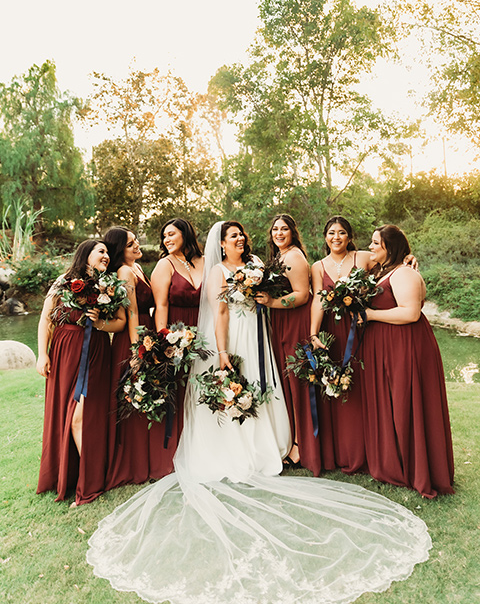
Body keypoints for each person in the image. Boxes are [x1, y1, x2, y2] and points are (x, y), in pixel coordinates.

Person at [87, 221, 432, 604]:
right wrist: (220, 354)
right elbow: (219, 314)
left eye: (240, 235)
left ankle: (270, 444)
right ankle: (233, 446)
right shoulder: (218, 271)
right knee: (233, 388)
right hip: (233, 334)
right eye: (232, 236)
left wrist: (408, 260)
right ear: (223, 243)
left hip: (257, 334)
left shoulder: (255, 263)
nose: (239, 238)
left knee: (263, 391)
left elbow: (303, 289)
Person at [359, 224, 454, 498]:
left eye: (376, 243)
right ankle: (398, 464)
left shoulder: (403, 275)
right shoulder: (386, 271)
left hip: (405, 346)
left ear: (390, 247)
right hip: (390, 345)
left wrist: (371, 315)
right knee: (396, 404)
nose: (371, 247)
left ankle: (418, 469)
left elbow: (411, 313)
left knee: (406, 403)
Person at [36, 240, 126, 506]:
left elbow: (120, 323)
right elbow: (46, 318)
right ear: (85, 254)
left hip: (95, 353)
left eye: (108, 252)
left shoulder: (109, 285)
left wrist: (100, 322)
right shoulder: (63, 280)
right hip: (64, 351)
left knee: (80, 416)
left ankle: (90, 482)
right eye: (101, 251)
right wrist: (42, 354)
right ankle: (71, 476)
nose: (107, 256)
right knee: (65, 412)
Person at [104, 226, 173, 489]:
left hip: (146, 334)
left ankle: (153, 457)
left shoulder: (136, 268)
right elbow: (132, 312)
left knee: (149, 393)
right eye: (130, 243)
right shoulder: (123, 271)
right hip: (133, 339)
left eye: (135, 241)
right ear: (120, 249)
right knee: (136, 394)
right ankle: (135, 462)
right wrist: (137, 351)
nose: (136, 245)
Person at [310, 216, 373, 473]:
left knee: (362, 387)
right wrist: (314, 334)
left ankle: (366, 451)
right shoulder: (317, 266)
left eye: (342, 233)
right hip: (331, 331)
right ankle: (340, 452)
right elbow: (317, 300)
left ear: (349, 237)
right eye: (331, 233)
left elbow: (393, 259)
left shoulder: (364, 258)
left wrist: (410, 260)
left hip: (360, 329)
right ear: (325, 237)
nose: (336, 237)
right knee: (335, 387)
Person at [255, 214, 317, 473]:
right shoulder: (279, 257)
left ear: (293, 232)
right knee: (287, 382)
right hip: (281, 321)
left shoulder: (293, 256)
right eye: (275, 229)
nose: (279, 233)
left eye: (284, 229)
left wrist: (272, 303)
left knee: (298, 381)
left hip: (295, 321)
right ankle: (292, 439)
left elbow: (302, 295)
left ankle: (302, 446)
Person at [150, 217, 203, 330]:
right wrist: (163, 337)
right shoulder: (165, 265)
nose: (166, 240)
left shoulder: (206, 261)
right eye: (164, 236)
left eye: (171, 234)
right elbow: (161, 306)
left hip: (206, 329)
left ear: (185, 235)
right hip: (177, 333)